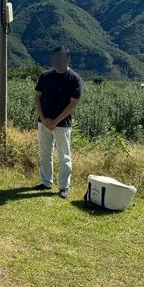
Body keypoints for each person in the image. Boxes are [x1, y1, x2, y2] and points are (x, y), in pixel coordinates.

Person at [33, 46, 83, 198]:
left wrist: (55, 121)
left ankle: (64, 187)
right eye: (55, 58)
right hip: (43, 122)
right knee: (44, 154)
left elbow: (73, 103)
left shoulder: (75, 79)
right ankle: (46, 182)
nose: (57, 61)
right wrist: (43, 119)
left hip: (62, 124)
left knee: (64, 156)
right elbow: (37, 97)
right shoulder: (45, 76)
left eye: (61, 58)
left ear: (68, 59)